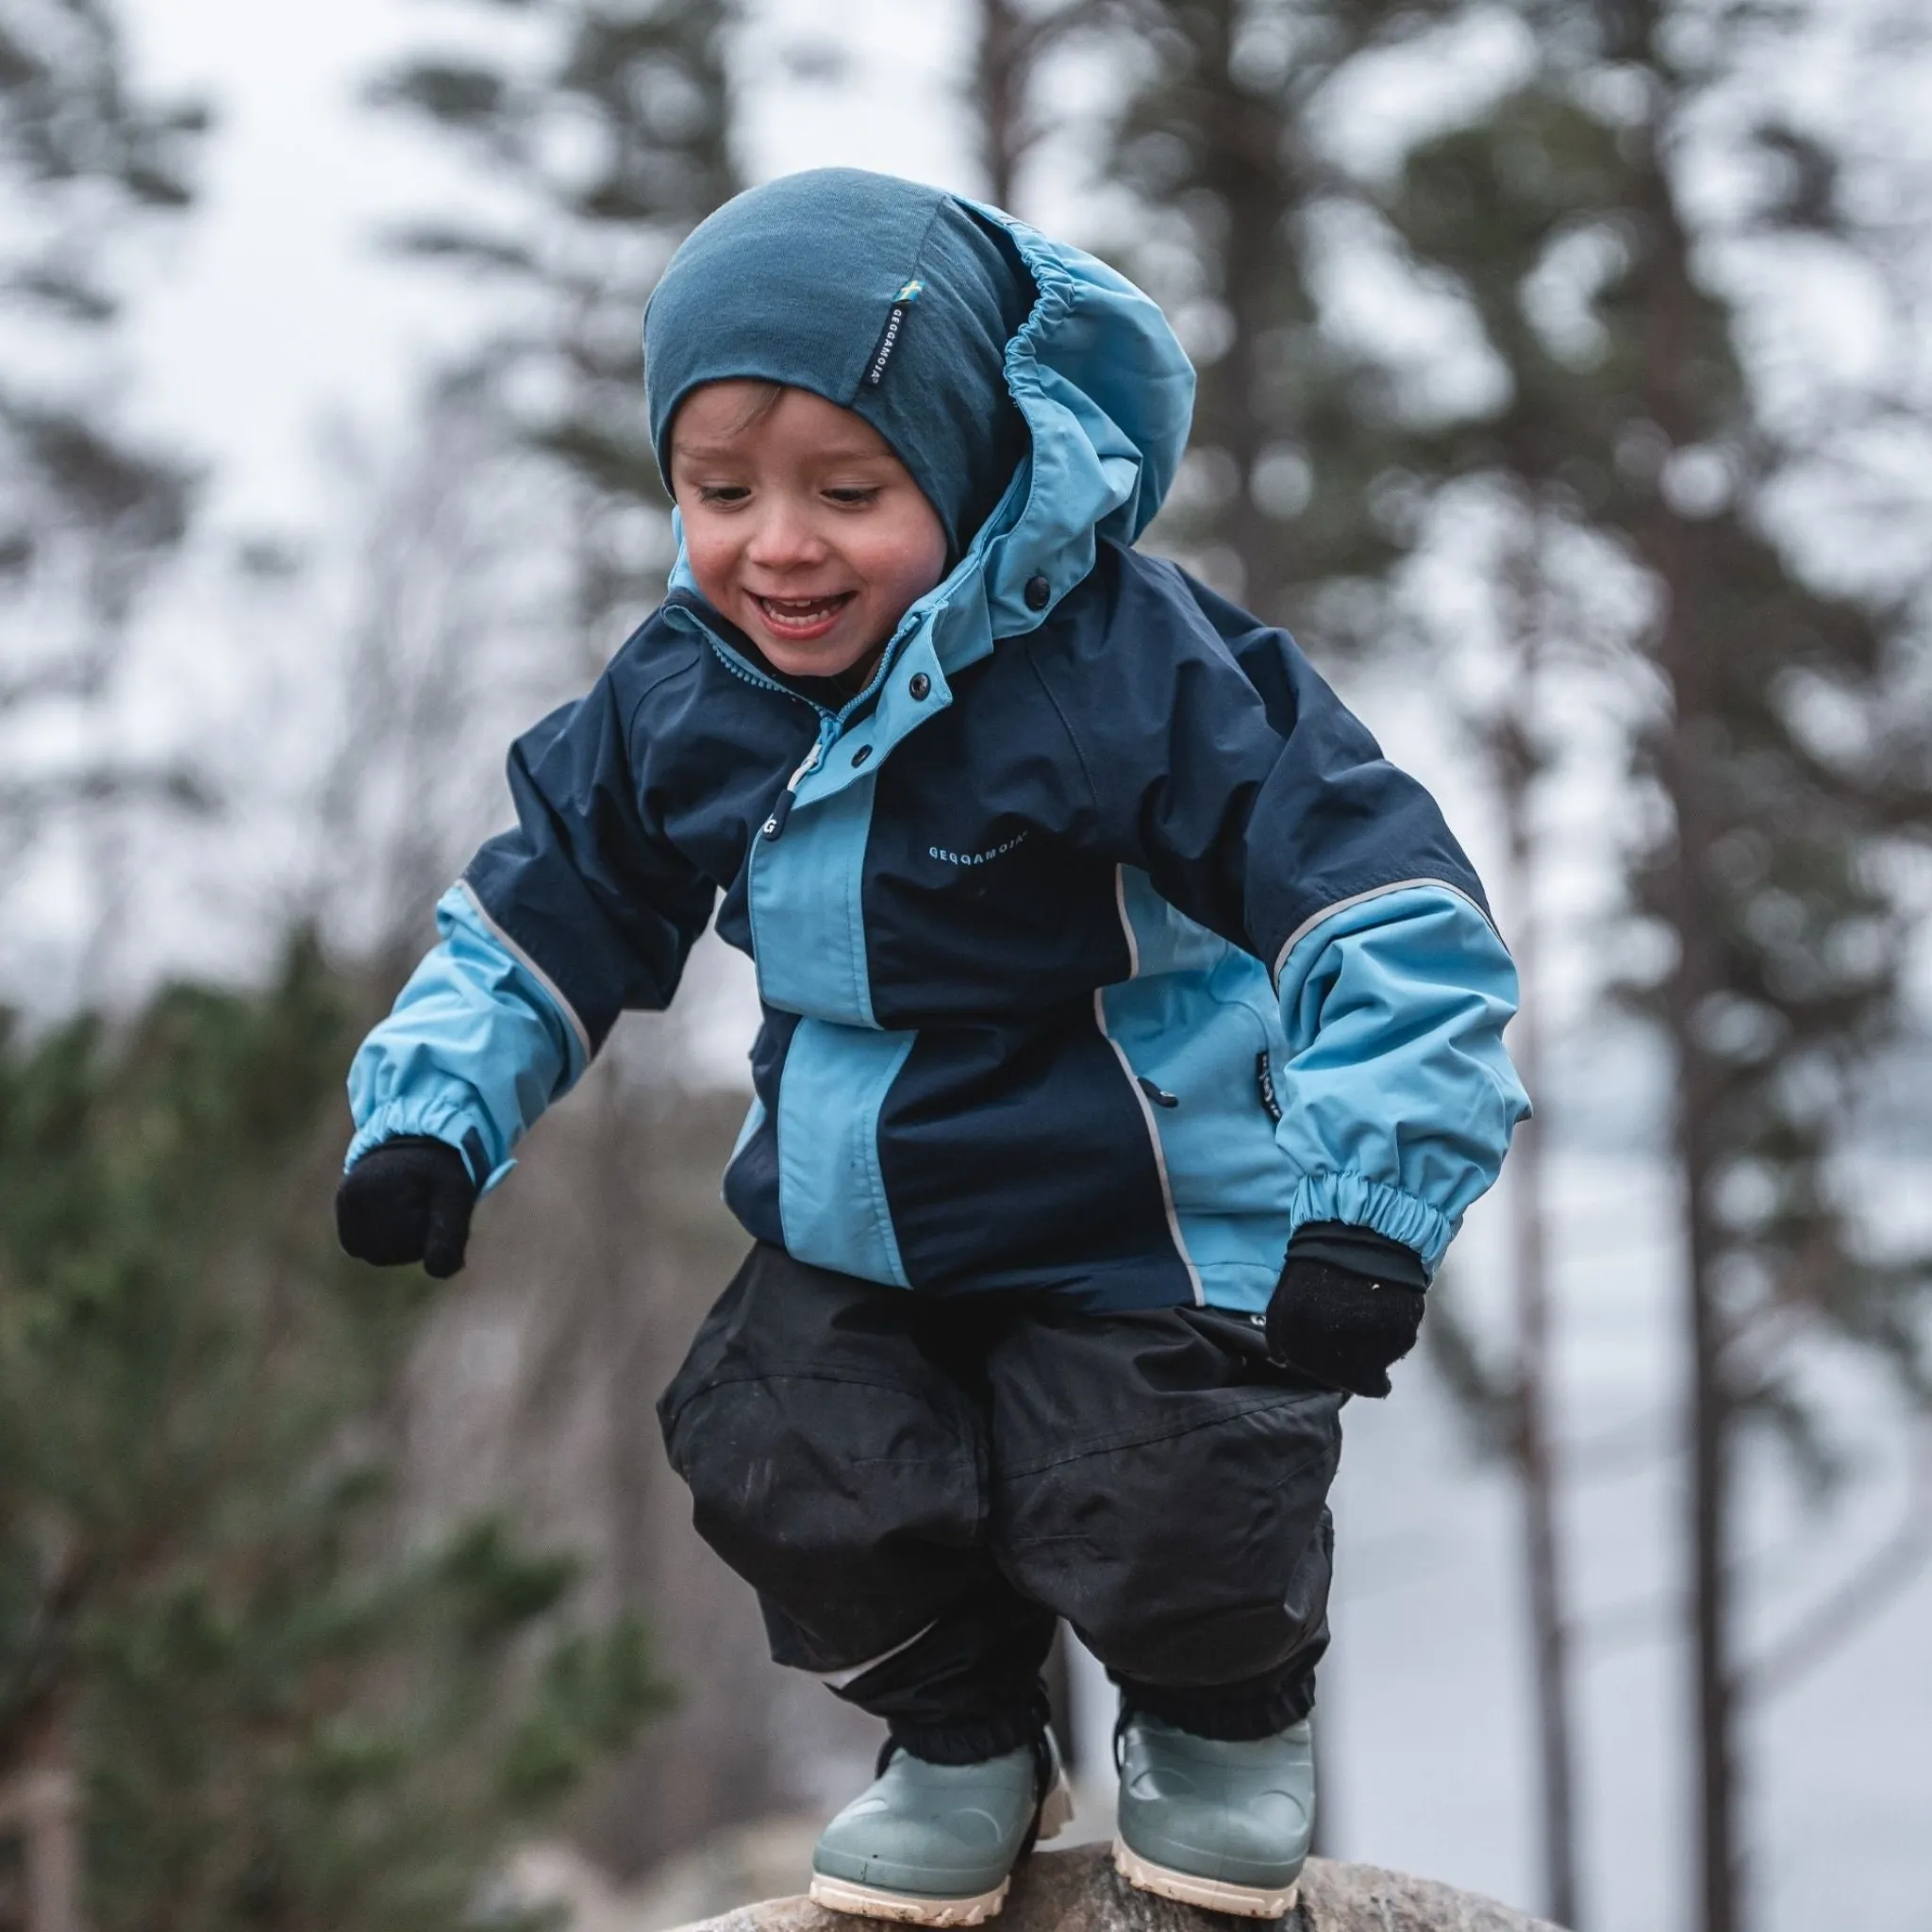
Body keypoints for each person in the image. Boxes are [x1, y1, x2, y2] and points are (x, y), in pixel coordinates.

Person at [334, 168, 1528, 1924]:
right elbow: (547, 902)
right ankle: (965, 1742)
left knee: (1160, 1473)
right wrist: (434, 1113)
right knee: (778, 1441)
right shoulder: (685, 693)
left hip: (1139, 1222)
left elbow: (1388, 908)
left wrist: (1374, 1198)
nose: (778, 547)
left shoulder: (1126, 668)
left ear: (965, 471)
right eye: (720, 491)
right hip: (862, 1219)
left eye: (849, 489)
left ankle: (1214, 1726)